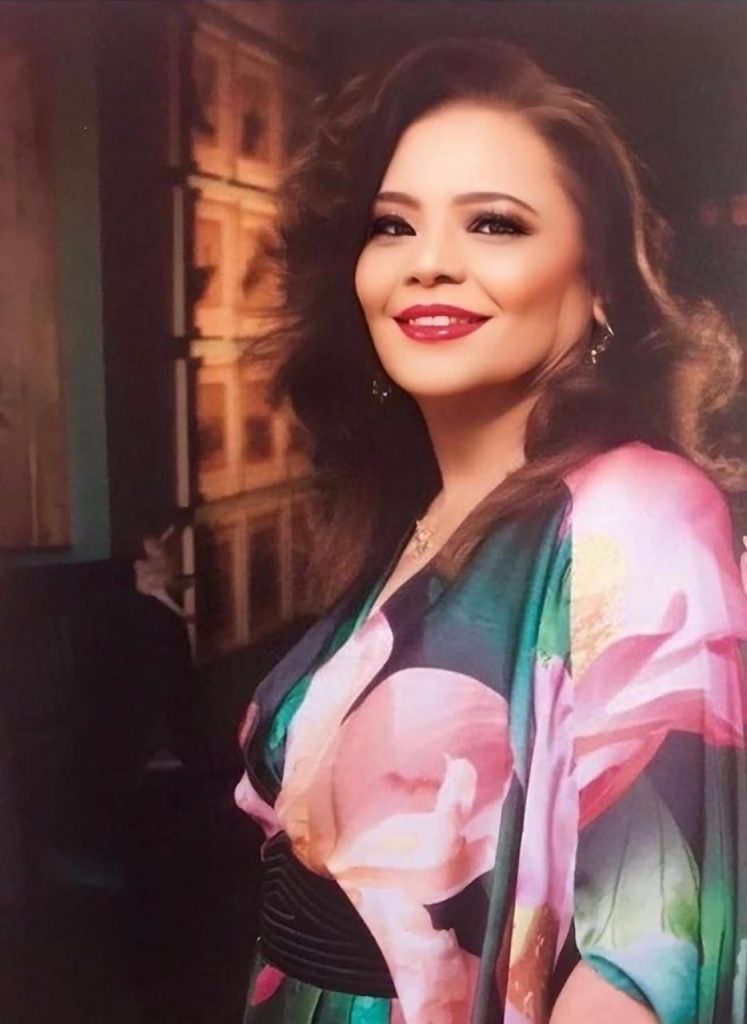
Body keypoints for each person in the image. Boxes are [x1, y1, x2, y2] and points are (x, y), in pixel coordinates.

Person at [225, 37, 747, 1024]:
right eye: (393, 225)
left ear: (599, 282)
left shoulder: (637, 511)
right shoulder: (412, 520)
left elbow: (650, 962)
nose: (428, 262)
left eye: (494, 223)